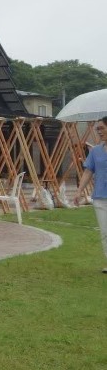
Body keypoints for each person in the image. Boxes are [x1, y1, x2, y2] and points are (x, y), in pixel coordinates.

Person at [74, 116, 107, 273]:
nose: (99, 131)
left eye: (101, 128)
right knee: (105, 232)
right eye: (97, 129)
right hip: (100, 197)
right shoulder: (96, 151)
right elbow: (88, 171)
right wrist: (79, 190)